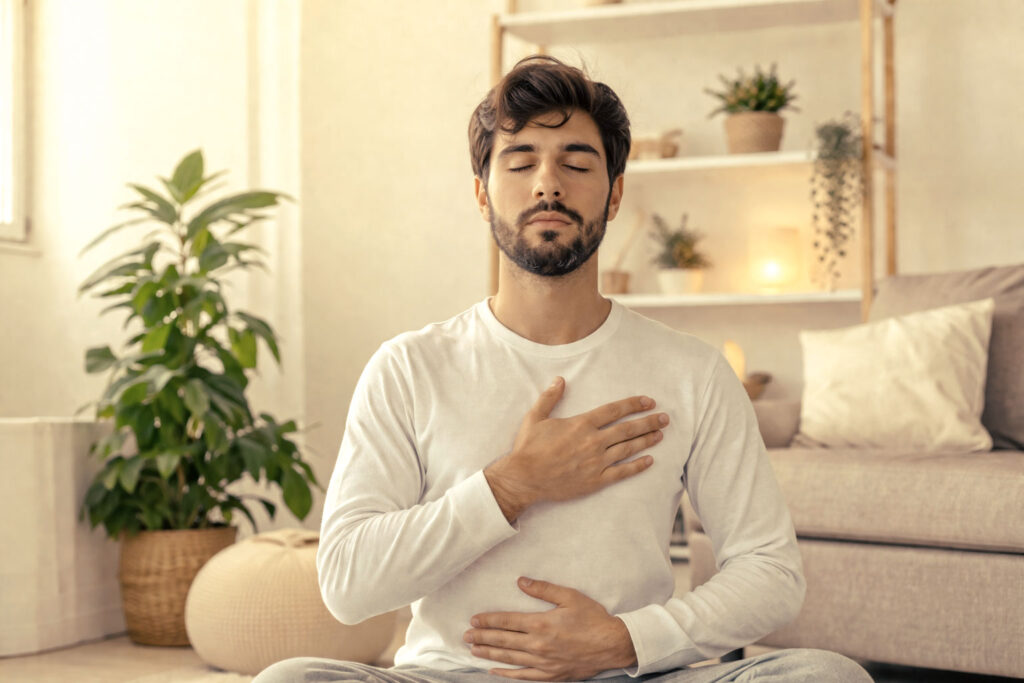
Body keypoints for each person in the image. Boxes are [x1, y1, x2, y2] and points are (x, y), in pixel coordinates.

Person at [254, 55, 872, 682]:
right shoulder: (410, 367)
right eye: (520, 164)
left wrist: (628, 640)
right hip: (450, 676)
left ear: (616, 191)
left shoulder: (692, 371)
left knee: (827, 676)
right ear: (480, 192)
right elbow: (347, 584)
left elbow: (770, 571)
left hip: (632, 674)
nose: (548, 184)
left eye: (577, 165)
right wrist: (512, 485)